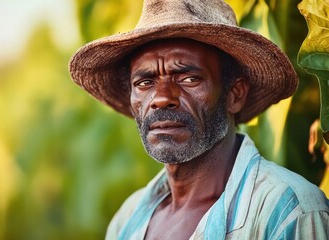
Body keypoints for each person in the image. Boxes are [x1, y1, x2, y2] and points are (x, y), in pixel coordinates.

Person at [69, 0, 329, 239]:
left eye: (189, 78)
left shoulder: (288, 211)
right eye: (145, 82)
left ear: (234, 94)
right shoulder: (127, 221)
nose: (161, 98)